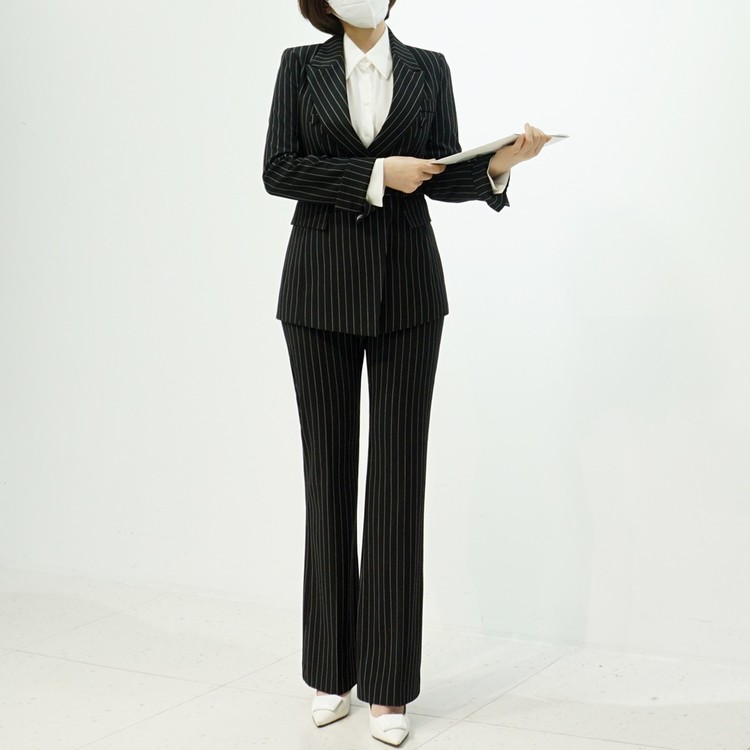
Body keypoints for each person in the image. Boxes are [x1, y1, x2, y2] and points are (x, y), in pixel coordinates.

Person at [262, 0, 550, 744]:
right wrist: (372, 174)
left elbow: (438, 175)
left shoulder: (428, 69)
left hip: (409, 293)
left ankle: (389, 687)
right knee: (328, 479)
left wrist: (497, 167)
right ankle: (331, 672)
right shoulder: (300, 67)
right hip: (318, 291)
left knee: (396, 484)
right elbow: (279, 170)